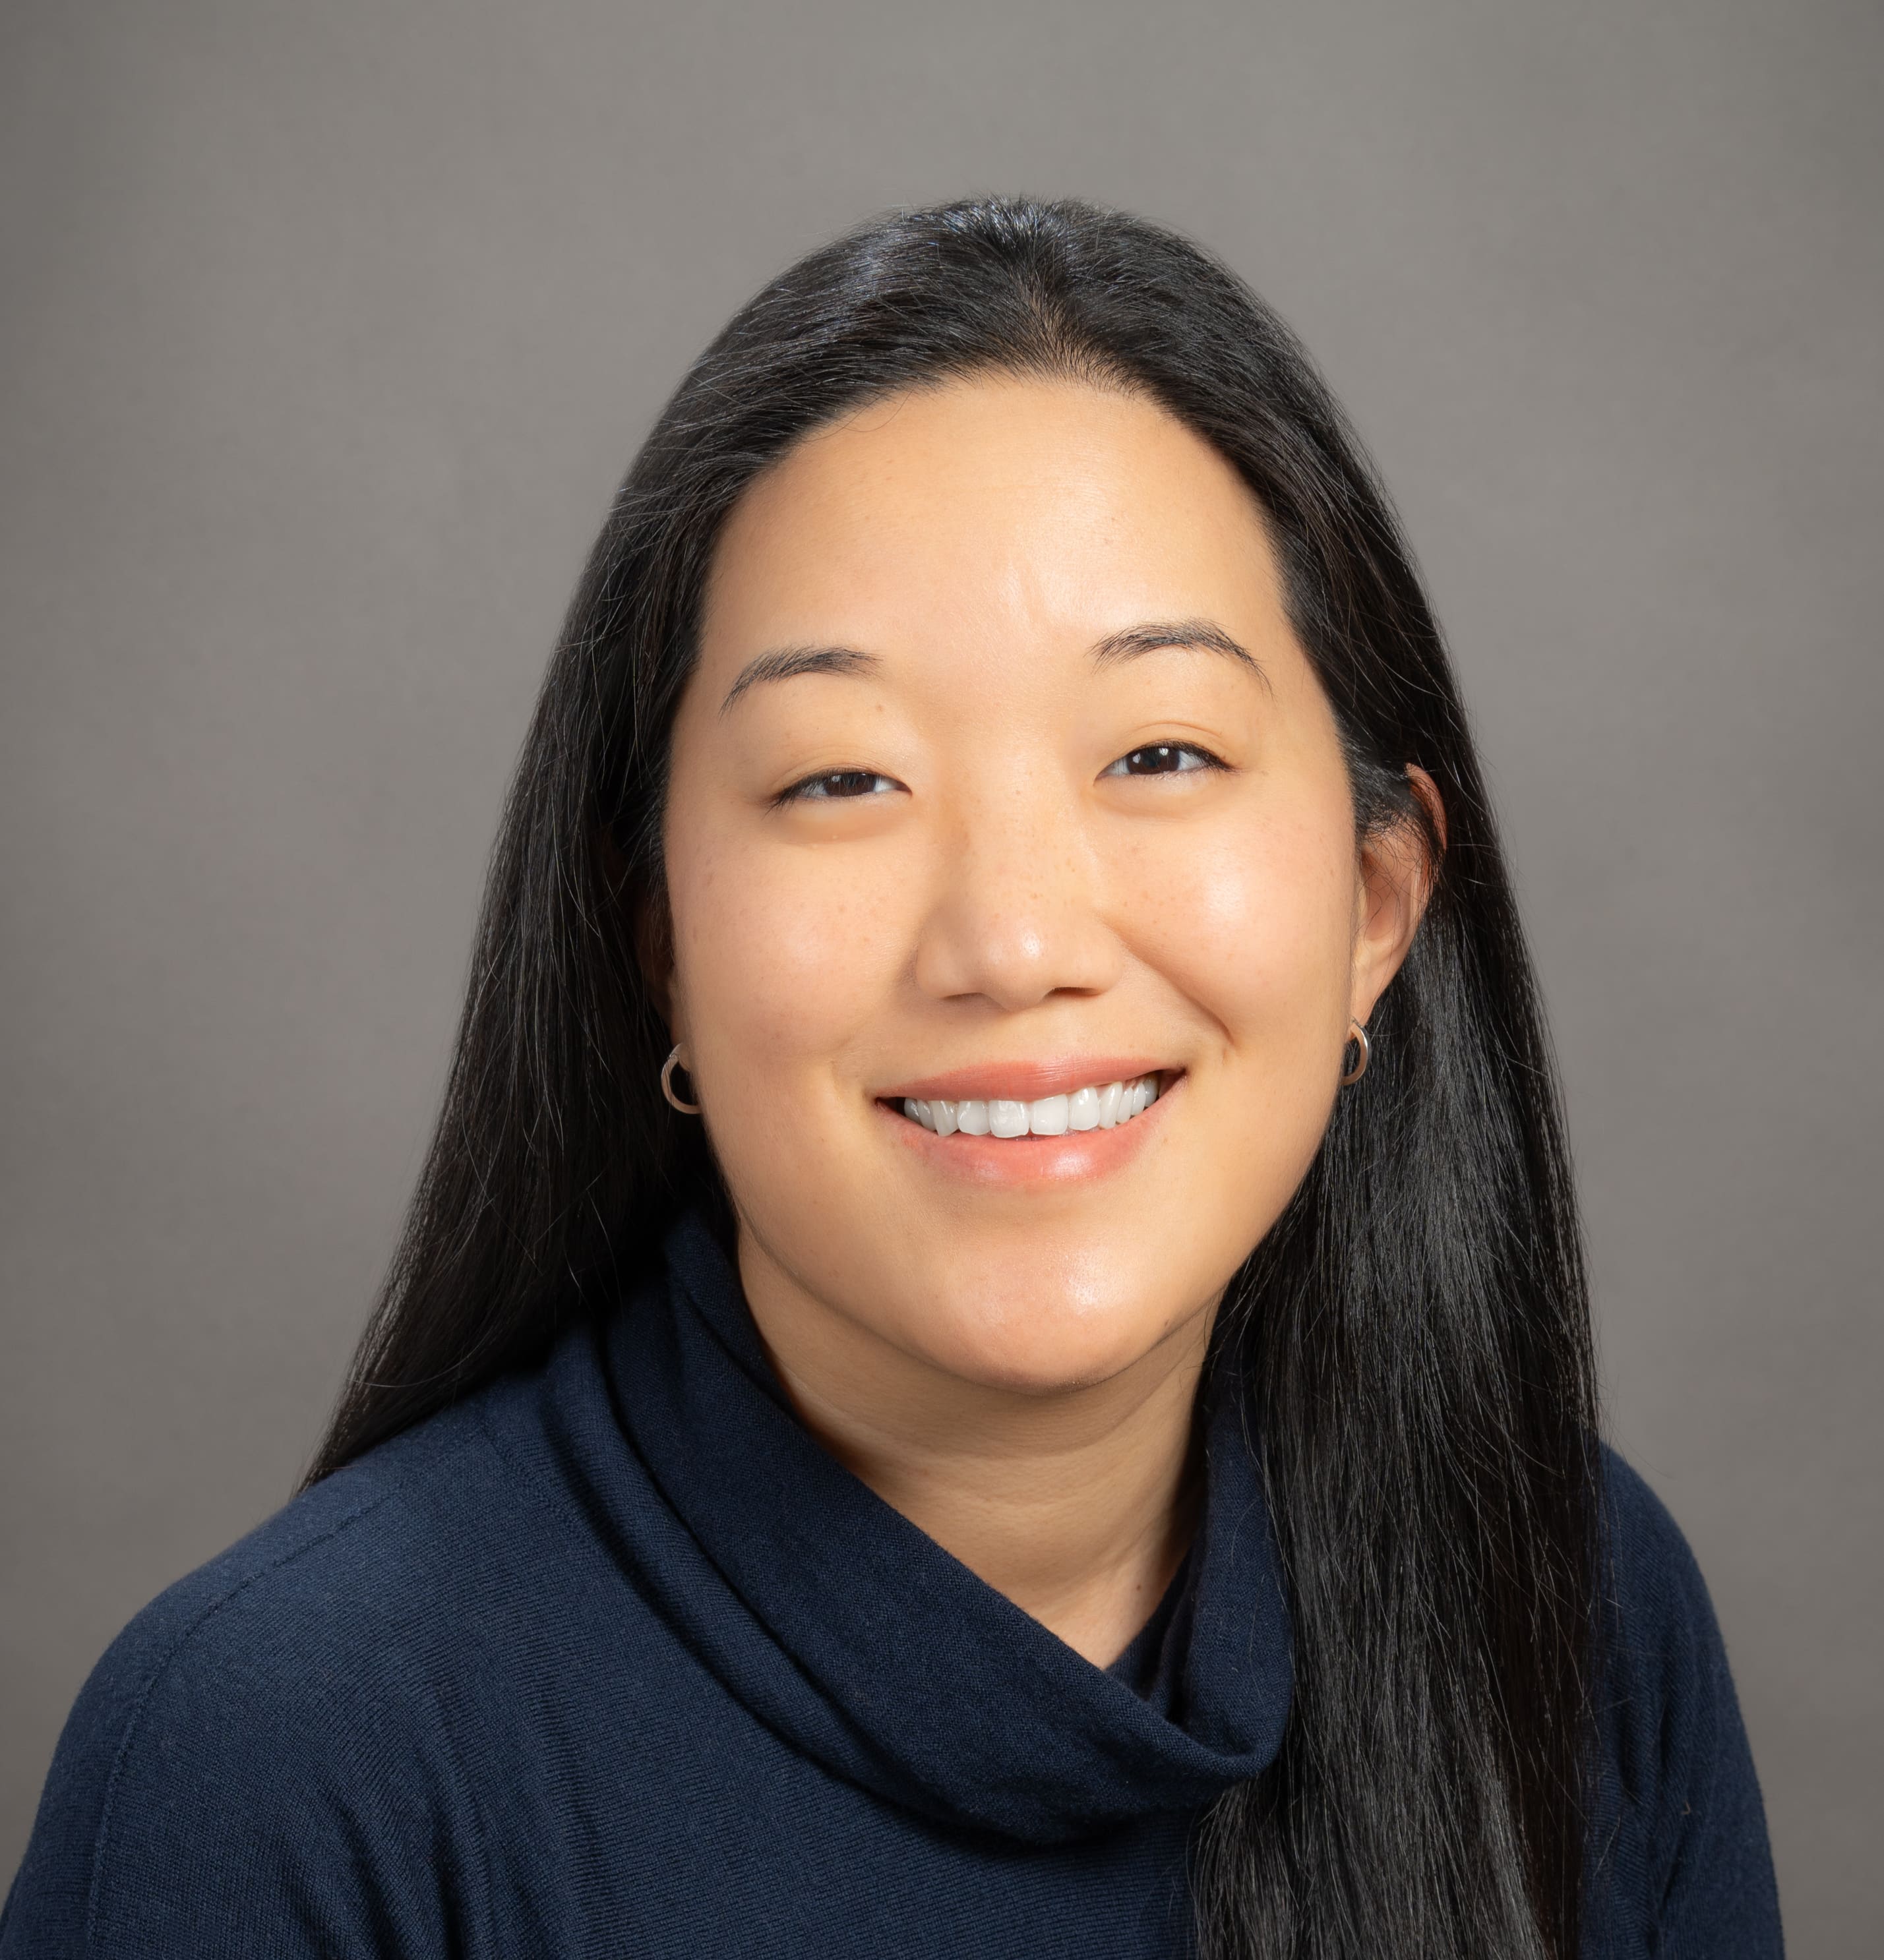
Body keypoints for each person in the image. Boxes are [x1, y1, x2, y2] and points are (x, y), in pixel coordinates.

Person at [1, 198, 1781, 1960]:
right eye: (841, 780)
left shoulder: (1567, 1607)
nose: (1009, 942)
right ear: (661, 945)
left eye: (1157, 750)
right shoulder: (284, 1754)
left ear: (1376, 907)